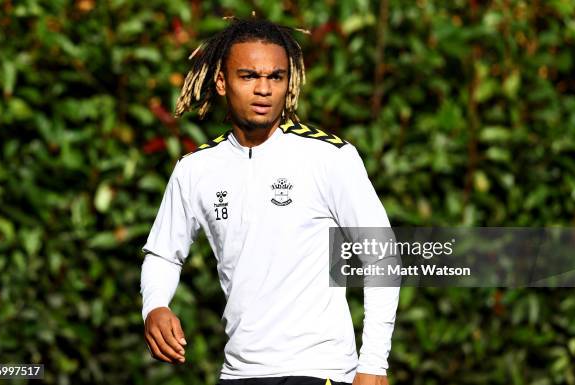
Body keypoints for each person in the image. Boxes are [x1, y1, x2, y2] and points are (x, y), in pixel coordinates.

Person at [140, 16, 400, 385]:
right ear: (221, 82)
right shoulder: (195, 169)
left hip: (320, 370)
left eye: (275, 77)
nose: (264, 89)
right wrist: (155, 306)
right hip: (239, 375)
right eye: (248, 76)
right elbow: (164, 254)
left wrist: (373, 364)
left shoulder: (329, 157)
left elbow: (381, 252)